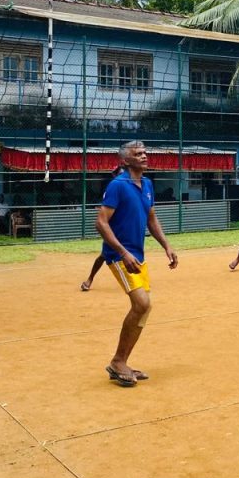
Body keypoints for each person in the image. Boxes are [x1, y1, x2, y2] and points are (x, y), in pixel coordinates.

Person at [95, 141, 178, 387]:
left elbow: (151, 218)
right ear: (125, 161)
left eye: (144, 153)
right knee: (141, 303)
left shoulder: (148, 184)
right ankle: (118, 361)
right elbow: (101, 222)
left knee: (144, 308)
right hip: (119, 256)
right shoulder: (117, 185)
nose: (144, 156)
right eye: (138, 154)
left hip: (138, 256)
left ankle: (121, 361)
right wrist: (122, 252)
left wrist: (166, 245)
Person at [80, 167, 124, 291]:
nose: (123, 176)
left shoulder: (130, 187)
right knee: (103, 256)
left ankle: (138, 279)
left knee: (134, 251)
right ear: (115, 176)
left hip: (126, 227)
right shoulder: (112, 189)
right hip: (113, 227)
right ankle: (90, 279)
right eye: (120, 174)